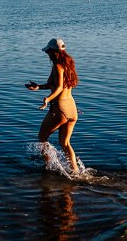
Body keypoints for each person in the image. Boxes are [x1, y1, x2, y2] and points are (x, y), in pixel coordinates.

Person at [26, 38, 80, 173]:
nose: (47, 55)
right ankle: (76, 172)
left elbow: (59, 87)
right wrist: (38, 87)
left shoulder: (57, 66)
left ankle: (48, 167)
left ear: (53, 52)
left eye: (48, 52)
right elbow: (53, 85)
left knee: (42, 138)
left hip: (59, 109)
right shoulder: (68, 65)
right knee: (65, 143)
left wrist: (48, 99)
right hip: (72, 109)